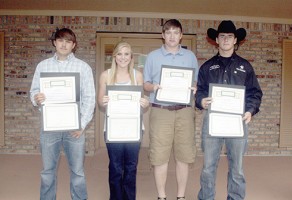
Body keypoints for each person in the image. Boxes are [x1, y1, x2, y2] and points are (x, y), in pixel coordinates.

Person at [195, 20, 263, 200]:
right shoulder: (207, 67)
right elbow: (199, 90)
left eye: (229, 36)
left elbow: (255, 92)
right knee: (208, 167)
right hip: (212, 122)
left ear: (235, 40)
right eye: (222, 36)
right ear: (216, 39)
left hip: (237, 122)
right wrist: (201, 100)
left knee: (237, 168)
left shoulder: (245, 67)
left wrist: (250, 110)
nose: (226, 39)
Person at [30, 28, 95, 200]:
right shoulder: (43, 66)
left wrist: (82, 125)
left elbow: (90, 98)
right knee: (47, 171)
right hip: (49, 128)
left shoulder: (83, 67)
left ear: (73, 45)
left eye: (68, 41)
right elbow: (33, 92)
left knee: (78, 172)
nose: (64, 44)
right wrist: (37, 98)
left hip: (75, 128)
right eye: (60, 40)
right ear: (54, 42)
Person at [143, 19, 198, 200]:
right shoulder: (152, 57)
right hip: (161, 111)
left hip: (184, 111)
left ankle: (181, 196)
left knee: (183, 155)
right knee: (160, 155)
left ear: (181, 35)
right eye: (168, 32)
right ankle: (162, 196)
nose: (172, 36)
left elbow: (196, 82)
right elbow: (145, 84)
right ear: (163, 35)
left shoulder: (190, 57)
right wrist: (154, 87)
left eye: (176, 32)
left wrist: (195, 88)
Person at [98, 41, 149, 200]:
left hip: (133, 128)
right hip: (113, 129)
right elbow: (99, 101)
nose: (123, 57)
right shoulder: (106, 75)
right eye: (119, 53)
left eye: (126, 54)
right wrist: (103, 101)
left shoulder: (137, 75)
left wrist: (145, 102)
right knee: (115, 167)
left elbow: (142, 101)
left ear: (131, 57)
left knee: (131, 167)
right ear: (114, 56)